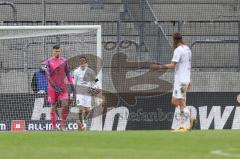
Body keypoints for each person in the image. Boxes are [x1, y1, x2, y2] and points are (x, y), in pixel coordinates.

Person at [150, 32, 196, 131]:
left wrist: (159, 66)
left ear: (174, 40)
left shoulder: (178, 50)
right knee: (176, 101)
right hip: (185, 79)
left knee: (180, 101)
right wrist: (190, 80)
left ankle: (190, 116)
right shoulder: (187, 49)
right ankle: (181, 124)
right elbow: (188, 65)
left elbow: (173, 65)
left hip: (181, 80)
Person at [45, 45, 74, 131]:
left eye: (58, 51)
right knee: (53, 107)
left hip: (63, 88)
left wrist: (72, 86)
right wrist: (54, 86)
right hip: (52, 89)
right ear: (52, 51)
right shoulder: (48, 62)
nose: (57, 52)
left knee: (65, 105)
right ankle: (54, 127)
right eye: (56, 51)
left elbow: (68, 74)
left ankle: (62, 125)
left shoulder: (64, 61)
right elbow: (47, 76)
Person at [73, 56, 100, 131]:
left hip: (88, 93)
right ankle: (82, 125)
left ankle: (81, 121)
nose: (82, 63)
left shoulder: (90, 71)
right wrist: (72, 94)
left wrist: (97, 86)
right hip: (79, 93)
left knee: (88, 110)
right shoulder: (76, 72)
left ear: (86, 63)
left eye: (83, 62)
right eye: (81, 62)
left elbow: (96, 80)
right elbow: (73, 83)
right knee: (81, 109)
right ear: (79, 63)